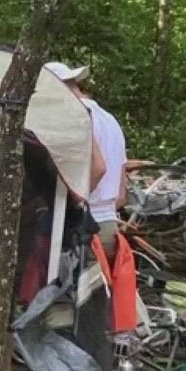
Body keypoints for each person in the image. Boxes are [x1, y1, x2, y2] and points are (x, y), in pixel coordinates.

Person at [46, 61, 128, 250]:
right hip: (109, 226)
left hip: (84, 229)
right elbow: (122, 194)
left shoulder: (74, 117)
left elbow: (98, 168)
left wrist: (71, 203)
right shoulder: (110, 121)